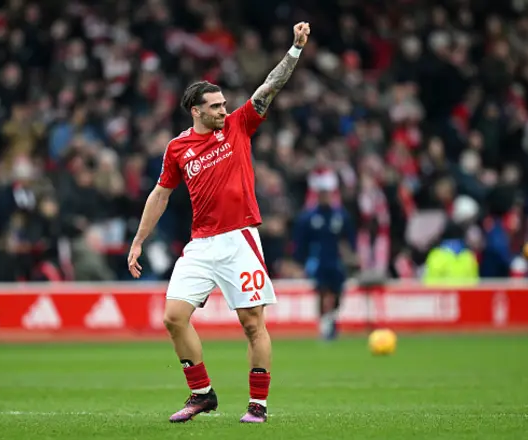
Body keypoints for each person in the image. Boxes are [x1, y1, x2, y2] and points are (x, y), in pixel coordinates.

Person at [127, 22, 311, 424]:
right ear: (196, 111)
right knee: (173, 317)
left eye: (224, 103)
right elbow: (160, 194)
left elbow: (268, 89)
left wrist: (295, 50)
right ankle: (202, 394)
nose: (223, 110)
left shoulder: (239, 126)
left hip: (239, 238)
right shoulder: (178, 148)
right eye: (215, 106)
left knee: (251, 323)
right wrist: (139, 240)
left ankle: (258, 406)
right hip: (201, 244)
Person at [292, 172, 357, 340]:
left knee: (337, 292)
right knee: (321, 291)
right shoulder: (308, 217)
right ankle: (323, 323)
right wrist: (299, 262)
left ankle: (332, 318)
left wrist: (352, 256)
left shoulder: (341, 215)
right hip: (317, 261)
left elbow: (349, 239)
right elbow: (300, 242)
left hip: (337, 261)